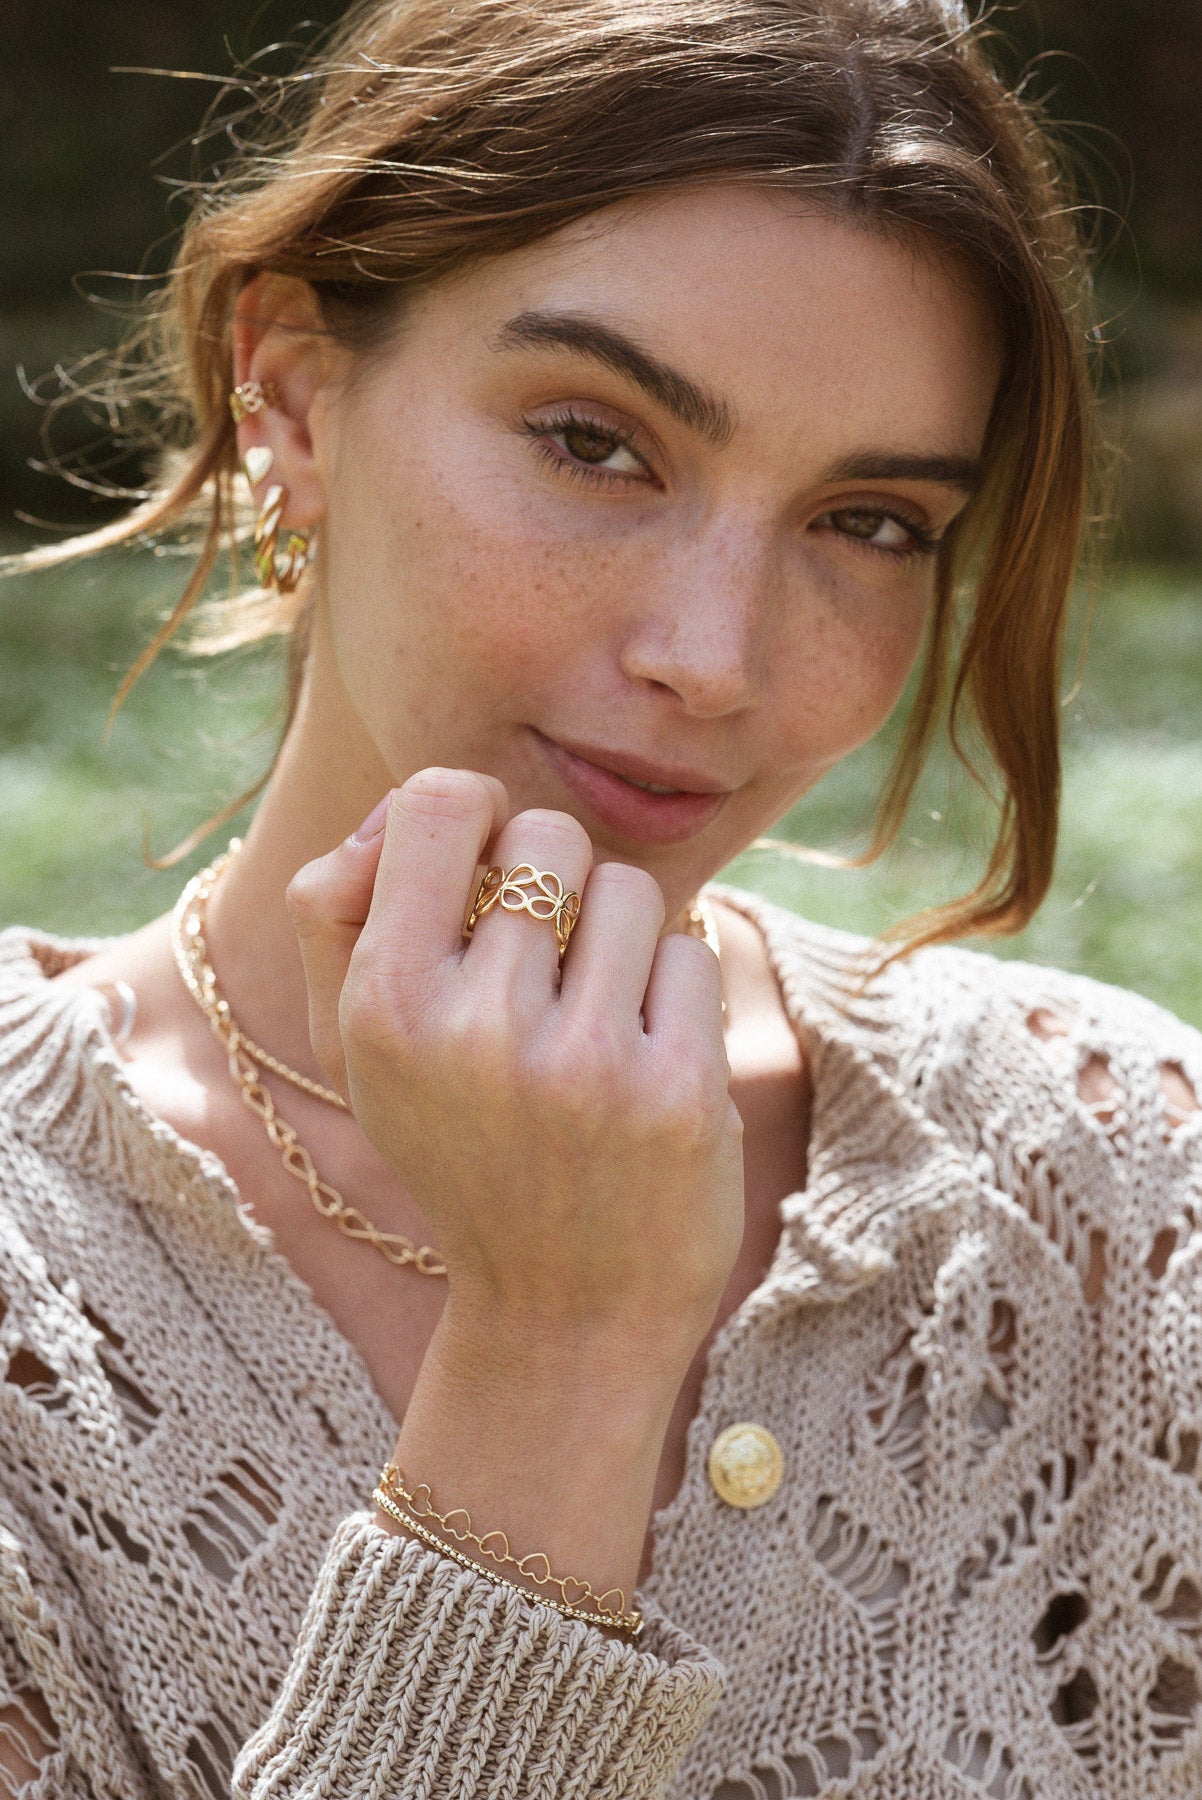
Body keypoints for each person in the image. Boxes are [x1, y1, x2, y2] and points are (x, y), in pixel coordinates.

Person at [1, 0, 1200, 1793]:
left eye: (869, 521)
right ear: (293, 399)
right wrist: (558, 1349)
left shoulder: (1121, 1198)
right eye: (593, 439)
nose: (712, 655)